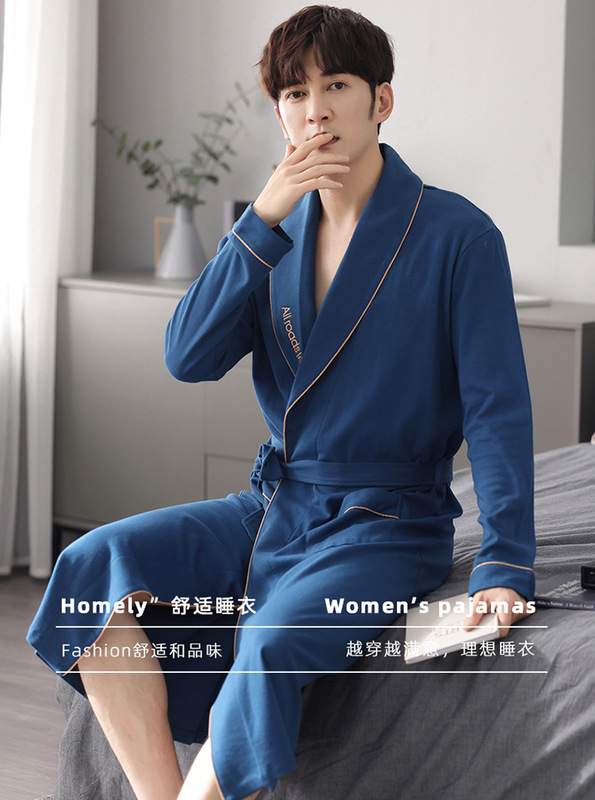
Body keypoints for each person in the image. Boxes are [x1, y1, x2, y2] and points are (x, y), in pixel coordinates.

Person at [27, 6, 536, 800]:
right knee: (92, 565)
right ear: (279, 114)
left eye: (336, 86)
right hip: (275, 505)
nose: (315, 110)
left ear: (380, 100)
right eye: (295, 93)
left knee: (268, 642)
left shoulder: (457, 235)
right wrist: (259, 220)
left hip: (388, 523)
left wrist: (503, 564)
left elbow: (496, 412)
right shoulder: (273, 233)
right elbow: (186, 357)